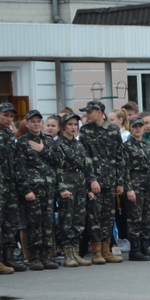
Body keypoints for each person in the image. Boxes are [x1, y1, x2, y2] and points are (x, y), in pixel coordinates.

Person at [79, 100, 125, 264]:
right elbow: (85, 158)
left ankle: (107, 250)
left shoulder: (113, 130)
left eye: (90, 111)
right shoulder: (85, 131)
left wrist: (120, 182)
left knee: (108, 216)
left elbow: (119, 157)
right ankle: (97, 251)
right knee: (94, 217)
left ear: (99, 112)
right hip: (95, 181)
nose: (87, 114)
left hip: (110, 180)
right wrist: (91, 180)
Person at [16, 110, 61, 270]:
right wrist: (26, 189)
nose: (36, 124)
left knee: (48, 223)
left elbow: (58, 160)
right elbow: (19, 169)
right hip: (33, 190)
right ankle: (34, 257)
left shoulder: (48, 140)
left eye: (38, 121)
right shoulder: (22, 143)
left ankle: (46, 255)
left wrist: (43, 150)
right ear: (27, 124)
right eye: (32, 121)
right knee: (34, 224)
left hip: (48, 189)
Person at [55, 113, 94, 267]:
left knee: (78, 219)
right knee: (67, 220)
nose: (73, 127)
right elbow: (57, 169)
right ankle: (68, 254)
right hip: (67, 185)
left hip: (80, 185)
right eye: (70, 124)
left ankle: (76, 253)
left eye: (75, 124)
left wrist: (88, 186)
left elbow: (86, 166)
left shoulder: (79, 144)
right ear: (63, 126)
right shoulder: (58, 144)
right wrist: (62, 188)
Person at [123, 116, 150, 261]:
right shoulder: (126, 147)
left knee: (147, 217)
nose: (138, 128)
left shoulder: (148, 145)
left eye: (140, 126)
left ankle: (145, 247)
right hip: (135, 183)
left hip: (149, 184)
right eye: (135, 126)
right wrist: (129, 188)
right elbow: (125, 169)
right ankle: (135, 249)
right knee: (135, 218)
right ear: (131, 128)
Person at [0, 102, 26, 273]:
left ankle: (8, 258)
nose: (9, 119)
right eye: (5, 115)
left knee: (10, 222)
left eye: (11, 116)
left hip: (9, 184)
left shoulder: (9, 135)